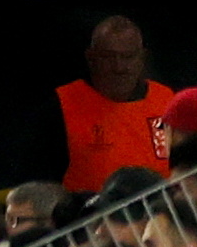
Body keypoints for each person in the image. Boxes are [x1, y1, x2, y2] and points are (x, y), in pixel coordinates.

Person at [59, 14, 181, 194]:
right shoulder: (64, 103)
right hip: (91, 215)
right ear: (91, 58)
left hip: (159, 211)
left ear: (142, 57)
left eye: (128, 57)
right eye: (108, 57)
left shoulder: (165, 98)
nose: (119, 67)